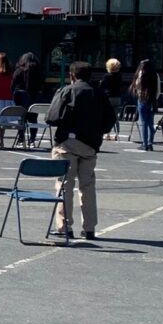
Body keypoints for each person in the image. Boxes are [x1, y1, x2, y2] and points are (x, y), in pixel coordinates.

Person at [46, 62, 116, 241]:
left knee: (64, 185)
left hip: (67, 143)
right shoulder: (98, 93)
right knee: (87, 185)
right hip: (90, 144)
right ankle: (89, 228)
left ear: (72, 75)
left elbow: (51, 117)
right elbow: (110, 119)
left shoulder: (66, 91)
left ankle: (64, 226)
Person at [11, 52, 45, 145]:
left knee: (21, 118)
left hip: (20, 96)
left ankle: (21, 138)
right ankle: (32, 139)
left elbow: (12, 85)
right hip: (34, 96)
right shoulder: (39, 71)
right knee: (33, 119)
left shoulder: (19, 71)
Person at [131, 59, 161, 151]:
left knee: (143, 122)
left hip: (143, 99)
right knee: (150, 123)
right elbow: (158, 89)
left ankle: (144, 144)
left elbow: (137, 86)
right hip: (152, 100)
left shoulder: (141, 74)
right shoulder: (155, 75)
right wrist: (155, 98)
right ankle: (150, 143)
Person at [98, 58, 124, 141]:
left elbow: (102, 86)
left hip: (108, 97)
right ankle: (117, 134)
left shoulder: (107, 76)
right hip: (118, 97)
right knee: (115, 116)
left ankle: (107, 133)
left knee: (106, 116)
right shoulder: (119, 76)